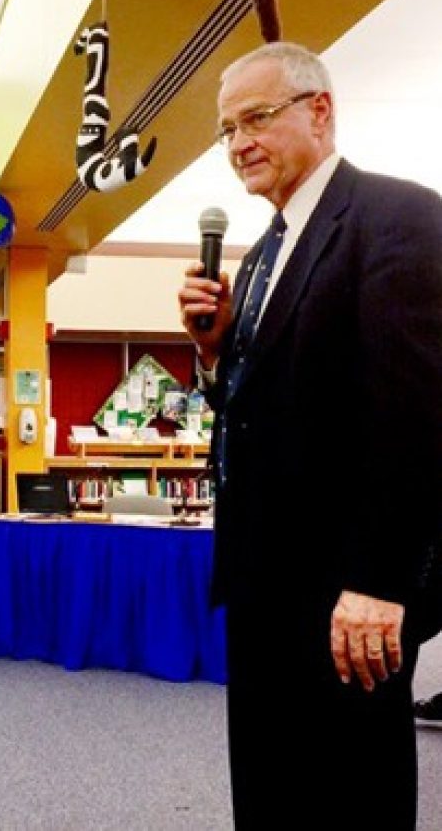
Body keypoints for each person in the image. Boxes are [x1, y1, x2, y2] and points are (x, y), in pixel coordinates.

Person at [177, 42, 442, 828]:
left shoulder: (400, 218)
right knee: (272, 797)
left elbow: (417, 412)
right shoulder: (262, 254)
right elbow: (263, 409)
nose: (238, 145)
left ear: (318, 111)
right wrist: (216, 351)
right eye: (227, 131)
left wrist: (381, 580)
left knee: (349, 802)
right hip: (263, 588)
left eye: (255, 119)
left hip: (348, 601)